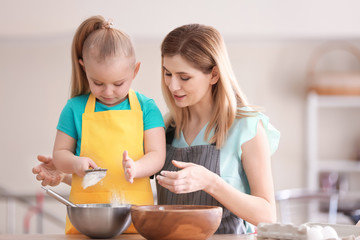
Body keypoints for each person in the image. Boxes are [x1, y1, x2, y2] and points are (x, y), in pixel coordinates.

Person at [33, 23, 280, 235]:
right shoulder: (168, 128)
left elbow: (268, 215)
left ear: (213, 75)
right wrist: (67, 176)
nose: (173, 86)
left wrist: (210, 181)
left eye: (184, 77)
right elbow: (131, 183)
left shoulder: (247, 127)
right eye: (167, 73)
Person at [37, 15, 166, 234]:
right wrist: (75, 163)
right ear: (84, 68)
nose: (108, 92)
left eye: (118, 84)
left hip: (136, 219)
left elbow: (157, 155)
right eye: (98, 83)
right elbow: (59, 155)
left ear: (135, 71)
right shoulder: (74, 108)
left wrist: (137, 168)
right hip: (86, 223)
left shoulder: (147, 108)